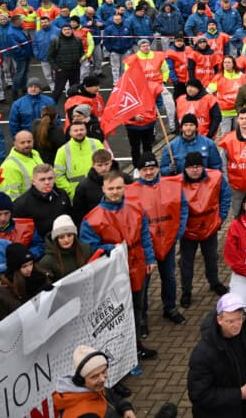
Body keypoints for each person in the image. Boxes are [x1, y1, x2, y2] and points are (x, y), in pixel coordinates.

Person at [80, 170, 158, 362]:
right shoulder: (92, 218)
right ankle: (119, 352)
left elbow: (145, 236)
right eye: (111, 188)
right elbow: (88, 248)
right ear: (103, 189)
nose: (115, 192)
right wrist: (111, 248)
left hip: (137, 265)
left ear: (124, 188)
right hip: (112, 273)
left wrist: (149, 259)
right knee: (117, 313)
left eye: (119, 188)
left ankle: (136, 345)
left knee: (137, 307)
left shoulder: (136, 208)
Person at [126, 153, 188, 333]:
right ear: (139, 171)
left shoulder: (172, 185)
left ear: (157, 168)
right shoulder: (131, 191)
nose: (149, 172)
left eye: (152, 168)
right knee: (143, 283)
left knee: (169, 277)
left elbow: (182, 207)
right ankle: (142, 318)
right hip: (144, 246)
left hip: (167, 241)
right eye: (145, 169)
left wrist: (179, 230)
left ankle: (170, 307)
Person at [187, 293, 246, 418]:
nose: (237, 325)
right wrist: (240, 394)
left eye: (240, 318)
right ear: (219, 320)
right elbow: (198, 395)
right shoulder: (202, 354)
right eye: (230, 321)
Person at [174, 152, 231, 306]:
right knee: (186, 263)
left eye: (198, 166)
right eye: (191, 167)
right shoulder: (176, 183)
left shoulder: (216, 178)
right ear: (185, 168)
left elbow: (225, 197)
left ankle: (214, 282)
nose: (195, 170)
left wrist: (221, 218)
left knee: (211, 258)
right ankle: (186, 291)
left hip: (210, 228)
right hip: (188, 232)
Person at [52, 345, 139, 418]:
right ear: (81, 380)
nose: (102, 379)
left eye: (104, 371)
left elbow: (112, 395)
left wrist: (126, 408)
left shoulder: (93, 387)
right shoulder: (85, 414)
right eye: (94, 376)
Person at [0, 242, 50, 319]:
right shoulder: (3, 291)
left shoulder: (39, 276)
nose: (29, 269)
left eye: (31, 264)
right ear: (15, 268)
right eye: (24, 266)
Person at [53, 120, 108, 199]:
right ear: (70, 133)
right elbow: (58, 175)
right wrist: (71, 191)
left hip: (99, 190)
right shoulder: (62, 151)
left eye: (82, 130)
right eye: (76, 130)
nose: (79, 132)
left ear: (86, 131)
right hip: (76, 194)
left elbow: (107, 166)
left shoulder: (96, 144)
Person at [36, 214, 93, 281]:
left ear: (74, 236)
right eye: (61, 237)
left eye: (69, 235)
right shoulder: (47, 261)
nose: (66, 240)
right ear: (56, 239)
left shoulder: (86, 249)